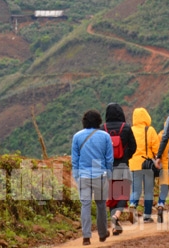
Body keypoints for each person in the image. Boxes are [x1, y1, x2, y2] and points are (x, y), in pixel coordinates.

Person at [72, 109, 113, 245]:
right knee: (101, 204)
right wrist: (109, 174)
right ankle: (102, 233)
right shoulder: (105, 136)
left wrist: (77, 176)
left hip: (83, 176)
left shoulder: (77, 136)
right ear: (98, 121)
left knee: (85, 205)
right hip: (100, 175)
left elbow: (75, 160)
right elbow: (109, 159)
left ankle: (86, 237)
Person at [103, 103, 137, 235]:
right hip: (122, 165)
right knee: (123, 193)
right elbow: (133, 146)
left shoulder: (102, 128)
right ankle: (116, 216)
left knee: (112, 196)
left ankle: (115, 226)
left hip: (108, 167)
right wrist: (126, 156)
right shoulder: (126, 127)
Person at [127, 107, 159, 223]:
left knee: (136, 189)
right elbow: (156, 148)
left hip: (134, 164)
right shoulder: (149, 130)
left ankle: (132, 204)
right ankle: (147, 215)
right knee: (148, 190)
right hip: (147, 164)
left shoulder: (130, 130)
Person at [156, 116, 169, 223]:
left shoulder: (160, 135)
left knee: (164, 188)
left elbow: (157, 150)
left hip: (163, 165)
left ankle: (161, 204)